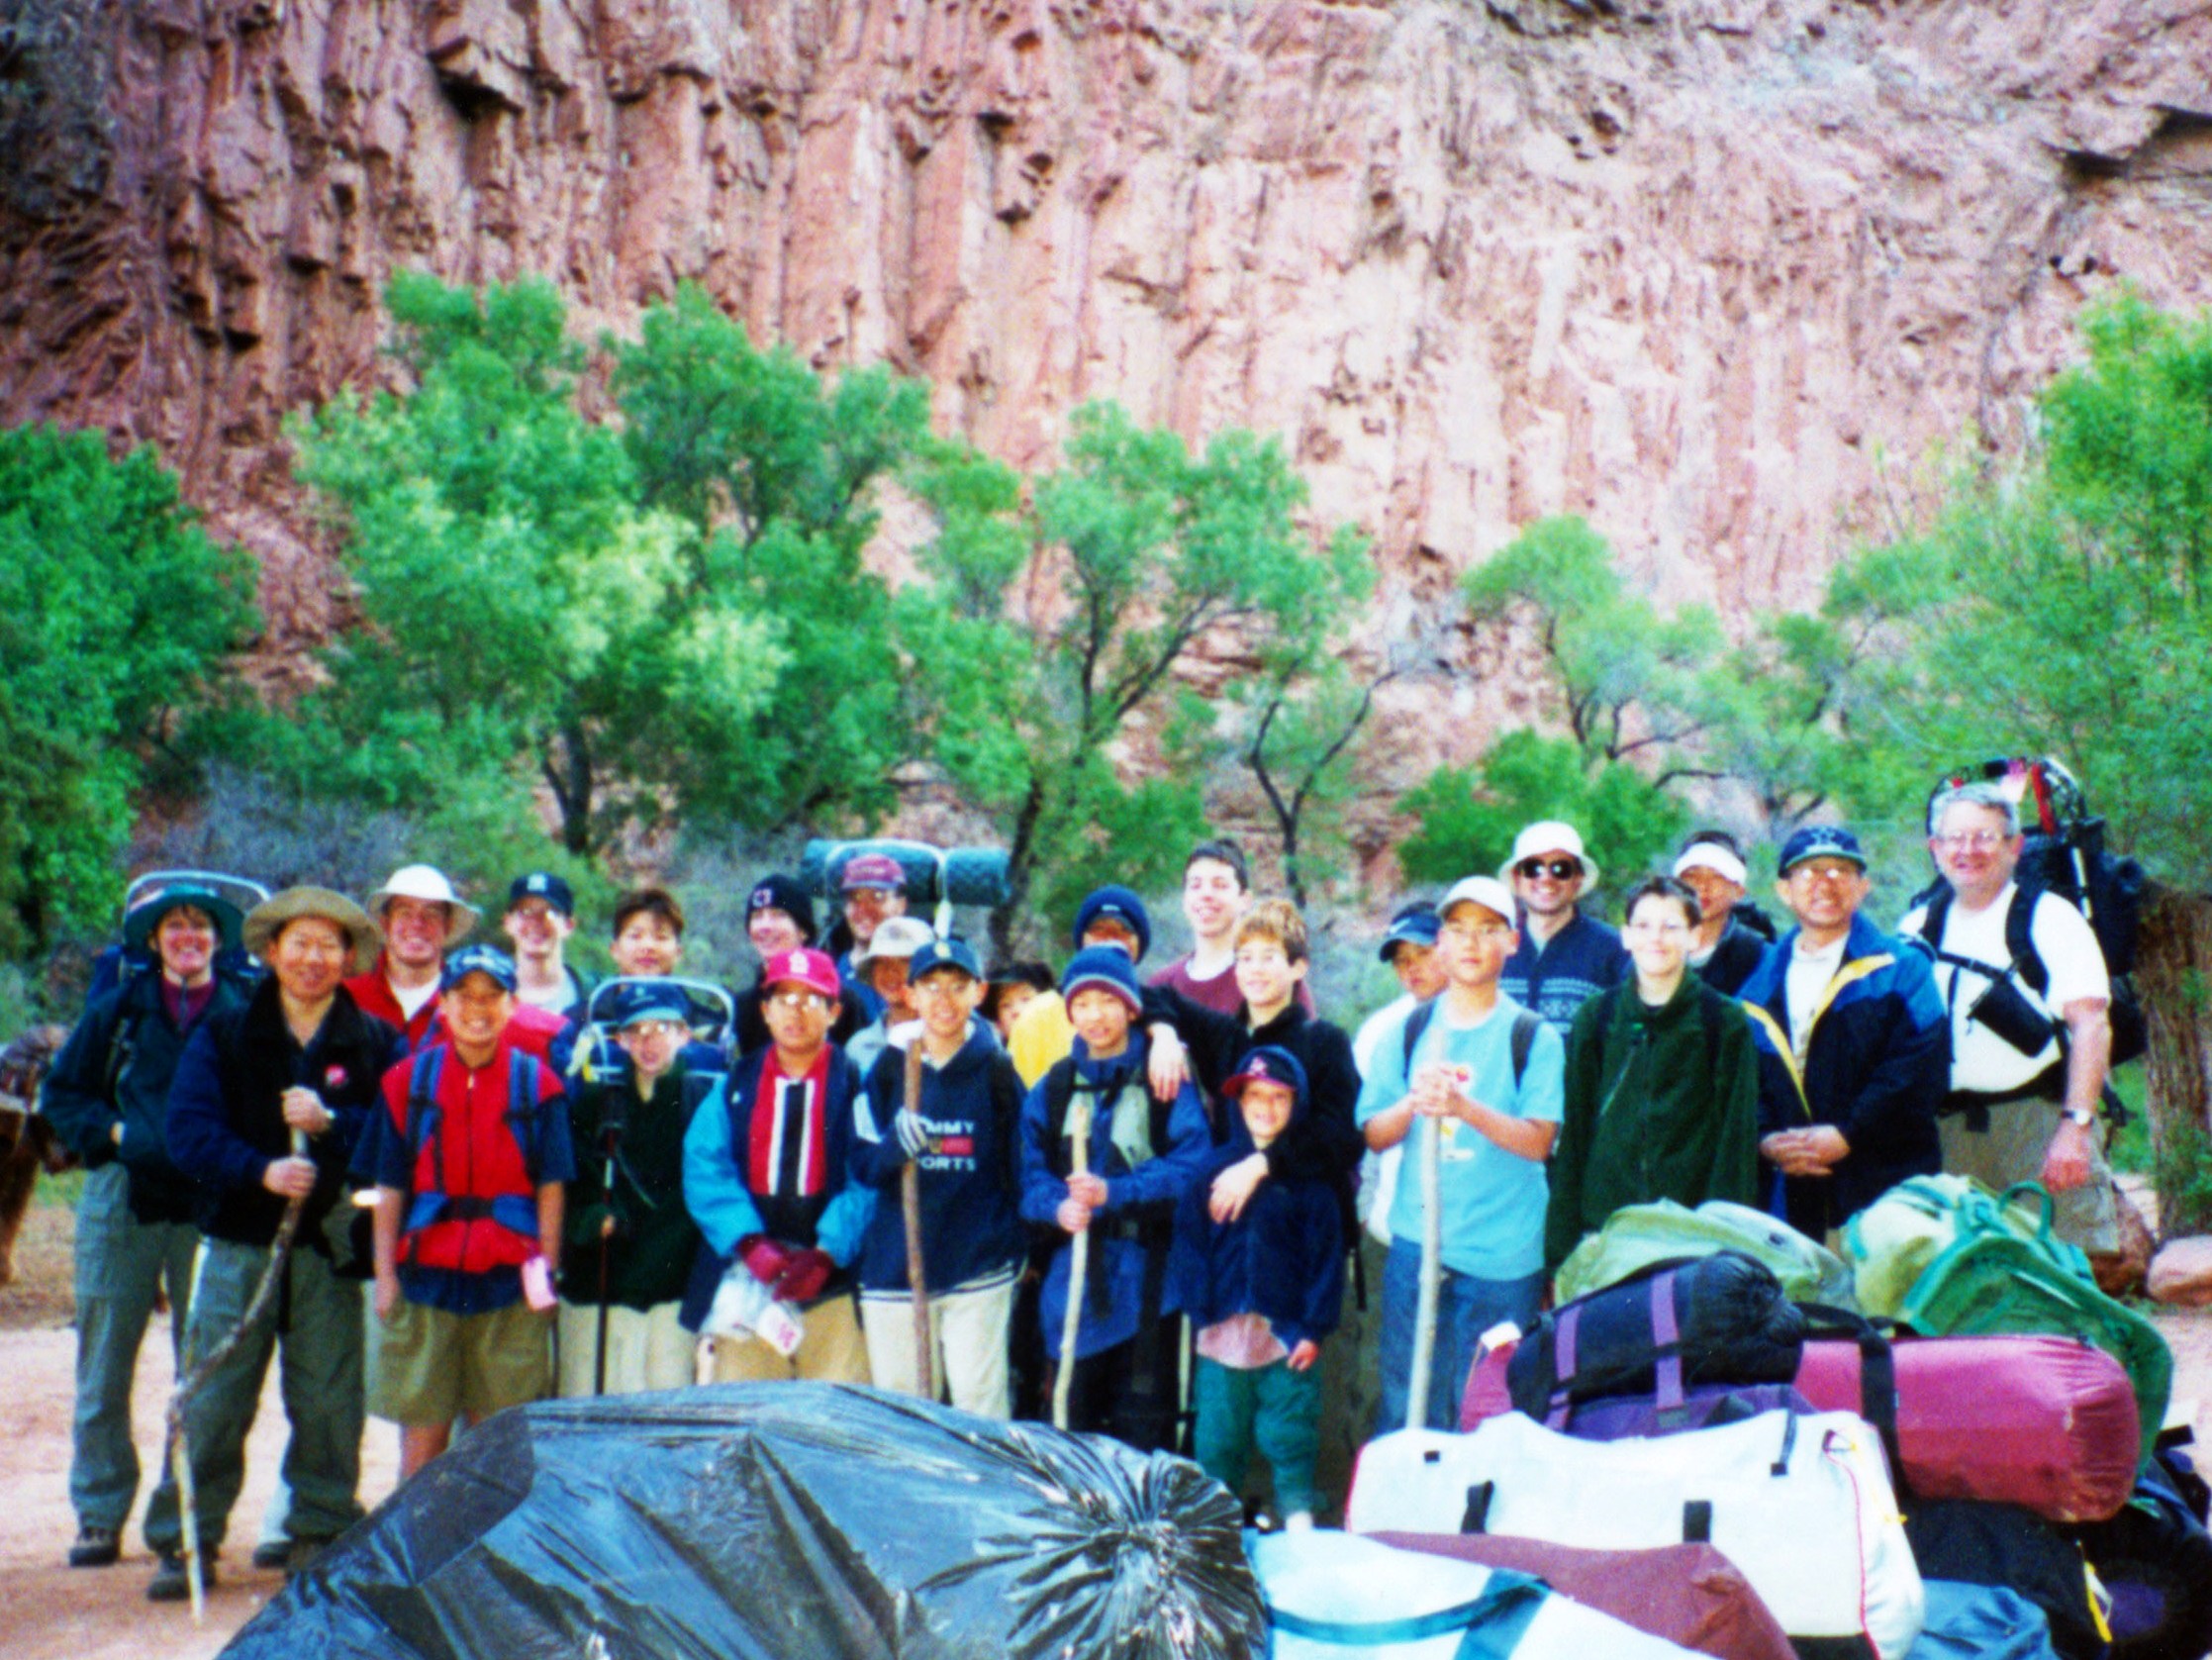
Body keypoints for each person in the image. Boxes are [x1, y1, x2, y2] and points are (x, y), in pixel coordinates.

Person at [162, 888, 402, 1599]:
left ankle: (322, 1527)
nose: (312, 958)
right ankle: (189, 1532)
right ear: (270, 952)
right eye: (298, 943)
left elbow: (400, 1134)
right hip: (241, 1245)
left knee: (330, 1397)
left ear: (349, 957)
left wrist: (332, 1122)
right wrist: (257, 1168)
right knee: (216, 1390)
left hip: (330, 1253)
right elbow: (188, 1131)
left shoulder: (377, 1040)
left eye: (328, 945)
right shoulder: (227, 1033)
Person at [42, 881, 251, 1572]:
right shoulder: (119, 1011)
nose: (188, 938)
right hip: (122, 1194)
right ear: (154, 939)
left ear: (218, 940)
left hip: (208, 1201)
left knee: (208, 1367)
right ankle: (100, 1512)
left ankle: (187, 1512)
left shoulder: (242, 1012)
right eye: (174, 927)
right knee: (104, 1360)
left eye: (200, 927)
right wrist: (113, 1129)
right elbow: (62, 1094)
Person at [1357, 875, 1563, 1434]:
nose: (1471, 944)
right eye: (1459, 930)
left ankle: (1470, 1524)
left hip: (1503, 1259)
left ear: (1512, 941)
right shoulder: (1408, 1029)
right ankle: (1401, 1521)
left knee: (1485, 1414)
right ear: (1440, 943)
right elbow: (1374, 1133)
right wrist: (1414, 1104)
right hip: (1418, 1253)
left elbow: (1538, 1141)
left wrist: (1465, 1108)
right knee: (1406, 1404)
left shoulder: (1532, 1036)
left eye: (1489, 930)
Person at [364, 946, 573, 1481]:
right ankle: (416, 1555)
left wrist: (545, 1273)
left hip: (508, 1280)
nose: (478, 1009)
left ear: (511, 1005)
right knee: (424, 1428)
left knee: (497, 1432)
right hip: (427, 1276)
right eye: (464, 996)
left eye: (492, 996)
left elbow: (552, 1187)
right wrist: (385, 1276)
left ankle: (487, 1555)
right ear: (444, 1003)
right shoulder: (407, 1083)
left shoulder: (539, 1085)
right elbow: (388, 1188)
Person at [1900, 783, 2120, 1253]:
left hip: (2037, 1122)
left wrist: (2074, 1128)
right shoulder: (1915, 927)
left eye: (1984, 836)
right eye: (1954, 838)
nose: (1968, 850)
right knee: (1958, 1273)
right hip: (1945, 1130)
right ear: (1934, 849)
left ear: (2014, 845)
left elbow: (2092, 1026)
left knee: (2063, 1264)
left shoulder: (2050, 919)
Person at [1018, 947, 1209, 1450]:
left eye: (1108, 1001)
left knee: (1145, 1436)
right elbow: (1029, 1177)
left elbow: (1192, 1168)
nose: (1096, 1015)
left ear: (1131, 1008)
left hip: (1150, 1290)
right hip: (1072, 1292)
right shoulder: (1052, 1089)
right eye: (1083, 1003)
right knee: (1070, 1434)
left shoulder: (1163, 1080)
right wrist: (1056, 1206)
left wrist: (1116, 1193)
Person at [1737, 827, 1950, 1246]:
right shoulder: (1755, 989)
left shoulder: (1903, 969)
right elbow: (1747, 1083)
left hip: (1891, 1190)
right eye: (1810, 872)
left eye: (1841, 871)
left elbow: (1918, 1072)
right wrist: (1767, 1141)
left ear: (1863, 887)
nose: (1826, 883)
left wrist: (1848, 1134)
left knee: (1888, 1307)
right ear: (1784, 890)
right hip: (1795, 1201)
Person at [1543, 876, 1762, 1275]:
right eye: (1643, 926)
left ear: (1694, 936)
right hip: (1605, 1232)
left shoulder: (1722, 1020)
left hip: (1690, 1237)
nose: (1656, 938)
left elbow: (1736, 1143)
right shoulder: (1598, 1016)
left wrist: (1726, 1246)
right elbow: (1574, 1136)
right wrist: (1560, 1248)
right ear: (1626, 936)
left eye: (1671, 926)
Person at [1167, 1046, 1343, 1532]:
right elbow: (1189, 1244)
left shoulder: (1311, 1184)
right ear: (1237, 1103)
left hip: (1285, 1333)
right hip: (1223, 1329)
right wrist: (1201, 1309)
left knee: (1289, 1429)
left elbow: (1326, 1262)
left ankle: (1297, 1517)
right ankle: (1214, 1526)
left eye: (1279, 1098)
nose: (1265, 1108)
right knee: (1219, 1435)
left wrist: (1313, 1327)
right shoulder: (1211, 1171)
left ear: (1297, 1104)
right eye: (1254, 1097)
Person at [849, 937, 1027, 1416]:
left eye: (957, 987)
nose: (943, 1001)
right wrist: (893, 1148)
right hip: (896, 1270)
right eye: (930, 987)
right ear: (910, 994)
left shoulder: (997, 1071)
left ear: (978, 992)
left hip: (975, 1268)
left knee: (977, 1404)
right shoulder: (887, 1069)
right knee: (905, 1412)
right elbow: (862, 1161)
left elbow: (1021, 1170)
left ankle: (983, 1492)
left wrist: (1008, 1248)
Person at [681, 947, 875, 1383]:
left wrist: (826, 1253)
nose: (797, 1012)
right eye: (785, 999)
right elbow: (704, 1165)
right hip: (750, 1282)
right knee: (749, 1413)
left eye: (811, 1000)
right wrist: (749, 1244)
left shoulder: (857, 1085)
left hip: (833, 1284)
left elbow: (868, 1175)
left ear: (834, 1011)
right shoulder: (736, 1086)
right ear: (766, 1010)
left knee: (832, 1417)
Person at [555, 982, 712, 1397]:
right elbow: (572, 1183)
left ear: (684, 1034)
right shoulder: (594, 1103)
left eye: (661, 1027)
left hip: (670, 1289)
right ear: (619, 1039)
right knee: (587, 1405)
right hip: (598, 1285)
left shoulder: (703, 1102)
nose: (648, 1041)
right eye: (635, 1031)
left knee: (662, 1411)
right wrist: (591, 1220)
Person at [1496, 821, 1629, 1032]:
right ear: (1517, 878)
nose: (1546, 878)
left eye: (1561, 869)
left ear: (1578, 879)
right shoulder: (1494, 948)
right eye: (1533, 868)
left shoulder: (1611, 950)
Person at [345, 865, 479, 1051]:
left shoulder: (472, 1002)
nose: (417, 924)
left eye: (431, 914)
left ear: (447, 926)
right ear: (385, 923)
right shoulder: (347, 998)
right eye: (404, 912)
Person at [729, 874, 867, 1054]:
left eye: (779, 915)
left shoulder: (841, 1000)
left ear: (803, 931)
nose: (765, 926)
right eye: (757, 916)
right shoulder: (743, 1006)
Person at [1673, 838, 1770, 996]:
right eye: (1691, 876)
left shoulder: (1757, 956)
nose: (1702, 887)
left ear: (1738, 891)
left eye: (1716, 877)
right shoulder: (1649, 946)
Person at [845, 915, 937, 1079]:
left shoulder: (959, 1036)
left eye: (903, 961)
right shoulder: (859, 1047)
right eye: (882, 962)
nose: (891, 972)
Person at [502, 872, 591, 1018]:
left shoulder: (592, 994)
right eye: (525, 912)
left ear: (569, 925)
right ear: (507, 923)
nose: (536, 922)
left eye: (550, 913)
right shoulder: (491, 990)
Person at [982, 961, 1055, 1042]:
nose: (1017, 1010)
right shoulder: (992, 1053)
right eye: (1006, 1005)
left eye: (1026, 999)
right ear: (998, 1024)